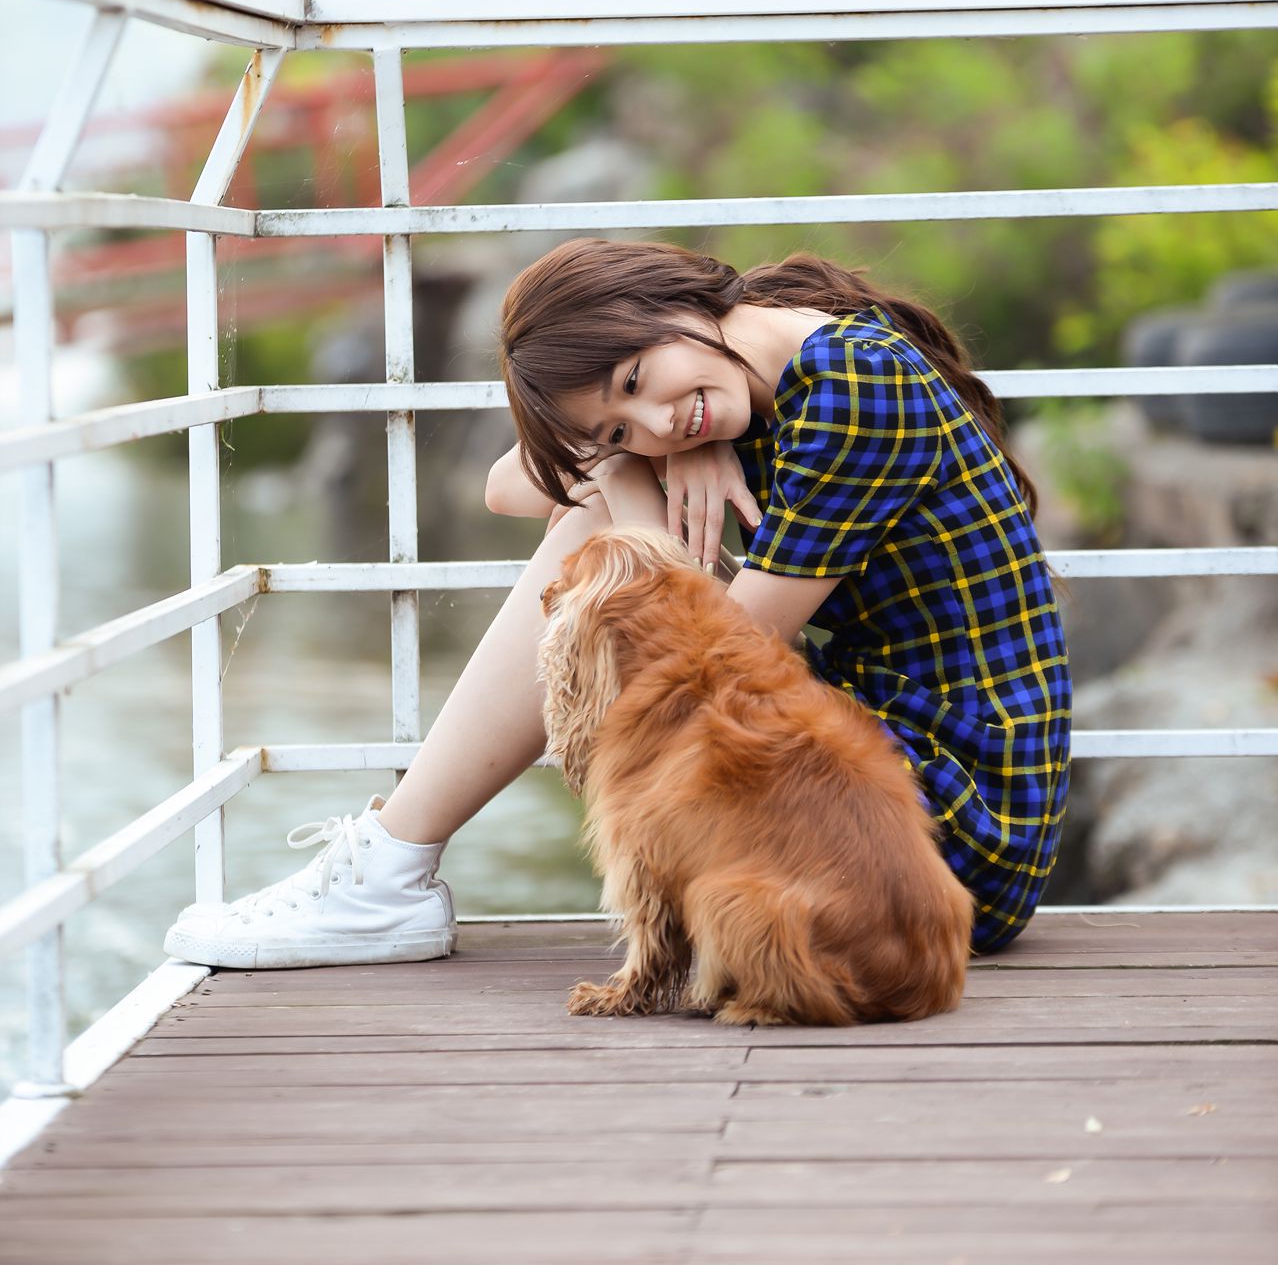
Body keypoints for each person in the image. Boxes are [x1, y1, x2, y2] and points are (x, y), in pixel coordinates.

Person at [164, 237, 1071, 969]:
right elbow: (501, 485)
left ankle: (388, 868)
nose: (655, 417)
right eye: (616, 422)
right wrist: (653, 453)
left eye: (636, 383)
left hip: (939, 845)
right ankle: (388, 867)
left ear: (675, 300)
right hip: (872, 808)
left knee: (597, 547)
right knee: (592, 525)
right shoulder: (776, 355)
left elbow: (728, 655)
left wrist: (629, 481)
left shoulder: (857, 386)